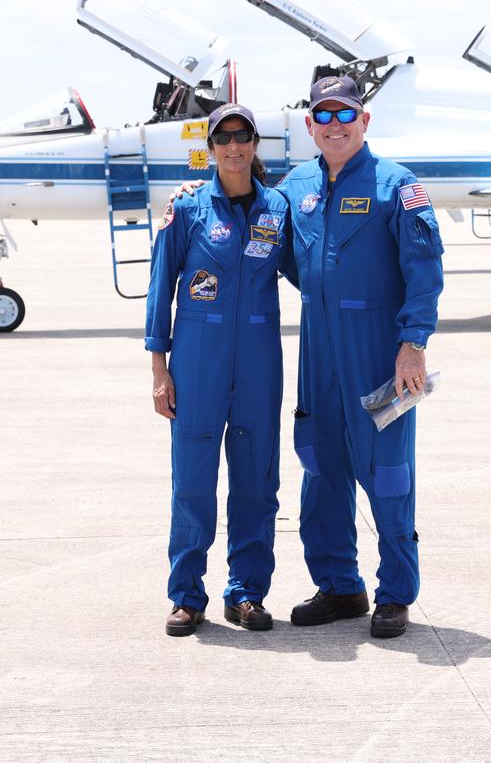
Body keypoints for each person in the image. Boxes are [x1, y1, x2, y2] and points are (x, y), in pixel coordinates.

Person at [280, 75, 445, 638]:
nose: (334, 126)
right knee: (321, 467)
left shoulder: (396, 186)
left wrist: (413, 344)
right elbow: (260, 237)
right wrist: (191, 197)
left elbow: (424, 272)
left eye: (344, 115)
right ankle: (340, 586)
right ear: (309, 125)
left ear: (365, 121)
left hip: (380, 351)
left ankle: (395, 593)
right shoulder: (295, 185)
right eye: (322, 116)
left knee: (388, 472)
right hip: (317, 351)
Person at [145, 103, 293, 637]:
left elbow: (315, 268)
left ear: (255, 144)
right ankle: (187, 595)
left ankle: (246, 594)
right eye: (223, 138)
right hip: (197, 362)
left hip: (258, 363)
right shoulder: (186, 211)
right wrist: (160, 370)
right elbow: (161, 291)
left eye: (243, 137)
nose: (233, 147)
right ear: (210, 148)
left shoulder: (278, 209)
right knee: (192, 483)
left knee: (257, 481)